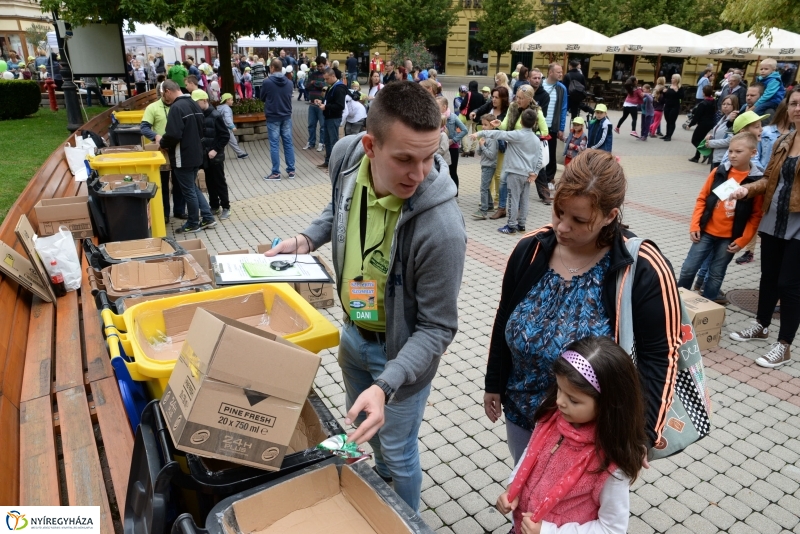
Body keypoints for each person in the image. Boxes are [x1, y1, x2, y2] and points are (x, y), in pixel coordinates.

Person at [265, 81, 467, 512]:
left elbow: (438, 327)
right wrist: (307, 239)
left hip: (400, 359)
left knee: (398, 450)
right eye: (405, 159)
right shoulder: (346, 156)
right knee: (364, 429)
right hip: (353, 334)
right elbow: (339, 206)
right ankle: (382, 481)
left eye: (429, 157)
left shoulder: (443, 228)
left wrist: (387, 385)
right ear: (371, 146)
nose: (419, 174)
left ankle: (405, 517)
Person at [484, 149, 682, 466]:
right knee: (525, 487)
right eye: (558, 212)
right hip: (522, 412)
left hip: (592, 434)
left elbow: (661, 354)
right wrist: (494, 381)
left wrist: (642, 434)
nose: (562, 227)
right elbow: (504, 316)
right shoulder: (531, 249)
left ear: (610, 216)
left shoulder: (641, 266)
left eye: (578, 220)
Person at [495, 336, 647, 534]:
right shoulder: (551, 417)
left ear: (608, 404)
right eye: (559, 389)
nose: (559, 401)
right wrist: (513, 487)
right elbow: (529, 456)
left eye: (573, 400)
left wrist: (548, 531)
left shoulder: (610, 465)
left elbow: (612, 529)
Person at [728, 87, 800, 368]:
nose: (797, 108)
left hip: (798, 224)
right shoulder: (784, 140)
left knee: (789, 284)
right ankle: (761, 325)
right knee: (768, 278)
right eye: (794, 103)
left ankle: (784, 345)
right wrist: (748, 189)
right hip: (773, 219)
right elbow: (769, 179)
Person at [678, 132, 764, 305]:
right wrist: (695, 225)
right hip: (705, 233)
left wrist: (743, 240)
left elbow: (756, 215)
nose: (732, 155)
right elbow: (702, 198)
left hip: (729, 239)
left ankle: (707, 305)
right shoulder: (719, 171)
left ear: (753, 153)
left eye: (738, 151)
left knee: (716, 273)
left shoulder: (756, 181)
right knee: (688, 269)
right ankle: (677, 301)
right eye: (730, 151)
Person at [157, 80, 217, 233]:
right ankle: (207, 217)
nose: (164, 98)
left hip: (183, 156)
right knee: (192, 187)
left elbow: (174, 134)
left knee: (189, 191)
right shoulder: (193, 104)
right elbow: (202, 128)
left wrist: (163, 143)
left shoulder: (176, 107)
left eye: (163, 94)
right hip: (197, 153)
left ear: (168, 91)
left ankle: (193, 222)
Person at [474, 109, 544, 234]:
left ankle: (511, 226)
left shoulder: (517, 134)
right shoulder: (536, 139)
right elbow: (540, 158)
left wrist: (479, 133)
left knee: (513, 199)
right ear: (535, 123)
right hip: (528, 174)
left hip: (515, 173)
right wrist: (535, 173)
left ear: (520, 121)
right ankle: (521, 225)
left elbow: (498, 134)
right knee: (524, 200)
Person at [491, 85, 549, 218]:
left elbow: (545, 131)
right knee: (504, 179)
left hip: (526, 154)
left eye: (521, 98)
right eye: (517, 97)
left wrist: (531, 136)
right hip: (512, 150)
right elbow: (505, 126)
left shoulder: (536, 111)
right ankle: (502, 208)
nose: (518, 100)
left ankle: (518, 210)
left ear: (530, 98)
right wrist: (499, 124)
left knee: (520, 182)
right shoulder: (513, 107)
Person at [141, 89, 185, 222]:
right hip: (161, 152)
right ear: (162, 93)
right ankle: (164, 213)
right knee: (163, 184)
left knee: (179, 182)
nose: (168, 98)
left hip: (178, 150)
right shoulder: (153, 108)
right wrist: (155, 136)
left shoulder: (179, 106)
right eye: (165, 94)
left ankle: (179, 210)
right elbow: (144, 128)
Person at [193, 89, 231, 220]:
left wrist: (215, 150)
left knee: (219, 181)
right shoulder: (198, 115)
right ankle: (214, 205)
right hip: (205, 155)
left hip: (216, 155)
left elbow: (225, 136)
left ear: (204, 101)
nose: (195, 105)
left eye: (197, 102)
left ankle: (226, 207)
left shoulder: (215, 115)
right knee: (209, 181)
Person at [261, 58, 296, 181]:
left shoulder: (267, 82)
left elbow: (262, 97)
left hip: (273, 116)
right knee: (288, 143)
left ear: (272, 68)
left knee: (274, 145)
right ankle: (291, 170)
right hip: (286, 116)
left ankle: (276, 172)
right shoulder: (289, 82)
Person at [541, 63, 567, 188]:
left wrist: (561, 128)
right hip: (539, 126)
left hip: (552, 126)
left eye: (561, 72)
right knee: (537, 152)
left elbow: (563, 109)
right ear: (550, 72)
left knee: (551, 154)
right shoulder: (540, 85)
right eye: (558, 72)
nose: (561, 74)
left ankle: (550, 179)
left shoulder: (562, 88)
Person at [317, 67, 348, 169]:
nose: (326, 81)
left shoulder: (339, 88)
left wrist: (326, 107)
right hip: (328, 116)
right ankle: (328, 161)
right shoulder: (332, 86)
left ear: (333, 76)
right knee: (327, 141)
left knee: (334, 141)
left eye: (327, 79)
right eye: (325, 79)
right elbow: (329, 101)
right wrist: (322, 102)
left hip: (334, 118)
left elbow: (340, 106)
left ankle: (335, 164)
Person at [437, 95, 467, 192]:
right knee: (440, 171)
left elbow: (464, 130)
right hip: (439, 148)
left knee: (453, 171)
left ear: (444, 107)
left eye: (437, 105)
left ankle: (455, 193)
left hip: (452, 148)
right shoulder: (435, 117)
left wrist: (453, 140)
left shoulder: (453, 117)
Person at [473, 113, 499, 220]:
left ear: (492, 126)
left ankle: (483, 210)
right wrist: (480, 145)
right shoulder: (484, 137)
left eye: (485, 125)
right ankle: (490, 205)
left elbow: (491, 155)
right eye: (482, 124)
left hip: (489, 165)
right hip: (485, 165)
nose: (483, 127)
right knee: (486, 186)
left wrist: (483, 146)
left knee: (483, 188)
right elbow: (479, 153)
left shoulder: (492, 139)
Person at [706, 95, 738, 171]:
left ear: (734, 105)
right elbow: (719, 133)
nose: (725, 106)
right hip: (716, 156)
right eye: (723, 104)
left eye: (728, 104)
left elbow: (730, 140)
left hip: (723, 158)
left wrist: (711, 143)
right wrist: (711, 136)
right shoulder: (723, 118)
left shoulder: (733, 121)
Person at [688, 85, 718, 163]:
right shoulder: (713, 101)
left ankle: (706, 153)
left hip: (703, 124)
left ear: (704, 93)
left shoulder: (703, 103)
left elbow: (697, 116)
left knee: (694, 140)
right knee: (700, 140)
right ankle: (696, 157)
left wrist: (690, 124)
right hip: (710, 123)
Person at [305, 57, 327, 152]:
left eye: (321, 66)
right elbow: (307, 86)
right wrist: (317, 84)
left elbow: (325, 86)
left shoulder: (327, 74)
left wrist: (314, 82)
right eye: (318, 66)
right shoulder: (313, 74)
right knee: (311, 125)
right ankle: (311, 142)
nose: (319, 68)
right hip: (312, 103)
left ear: (325, 64)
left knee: (322, 126)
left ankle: (322, 143)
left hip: (322, 104)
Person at [216, 93, 248, 159]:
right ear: (227, 100)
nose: (232, 101)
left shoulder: (220, 108)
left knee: (222, 141)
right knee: (233, 141)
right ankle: (240, 154)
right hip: (226, 128)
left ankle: (217, 153)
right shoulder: (227, 109)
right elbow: (227, 118)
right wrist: (232, 126)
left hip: (221, 128)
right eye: (231, 100)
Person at [662, 74, 683, 141]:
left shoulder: (680, 87)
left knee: (672, 121)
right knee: (667, 120)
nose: (671, 79)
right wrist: (664, 92)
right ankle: (667, 134)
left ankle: (669, 136)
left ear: (677, 79)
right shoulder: (669, 86)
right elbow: (666, 96)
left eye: (673, 78)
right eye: (672, 78)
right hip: (667, 105)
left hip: (674, 106)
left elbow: (682, 96)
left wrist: (676, 91)